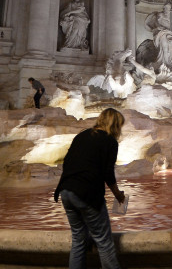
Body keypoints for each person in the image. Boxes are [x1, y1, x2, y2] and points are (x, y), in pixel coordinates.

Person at [54, 108, 126, 269]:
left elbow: (67, 162)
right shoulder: (109, 141)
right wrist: (118, 195)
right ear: (115, 125)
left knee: (78, 240)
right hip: (86, 192)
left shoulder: (82, 135)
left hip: (66, 190)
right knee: (104, 242)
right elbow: (108, 173)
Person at [145, 3, 172, 71]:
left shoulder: (168, 15)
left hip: (168, 33)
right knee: (164, 47)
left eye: (169, 8)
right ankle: (166, 64)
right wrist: (158, 27)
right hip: (161, 33)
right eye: (166, 8)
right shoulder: (160, 14)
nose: (167, 10)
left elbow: (167, 24)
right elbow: (157, 22)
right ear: (164, 8)